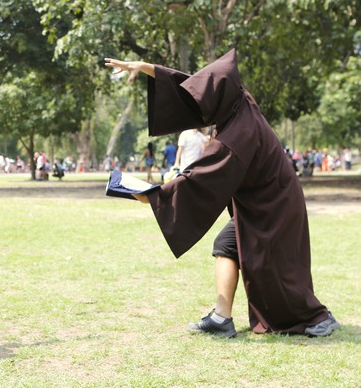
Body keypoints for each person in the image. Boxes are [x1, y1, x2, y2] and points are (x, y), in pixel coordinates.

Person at [105, 49, 339, 337]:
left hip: (274, 204)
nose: (201, 105)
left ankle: (316, 317)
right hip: (265, 197)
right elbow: (198, 85)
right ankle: (221, 318)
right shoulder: (238, 100)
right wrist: (148, 68)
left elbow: (202, 179)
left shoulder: (236, 134)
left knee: (277, 269)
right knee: (228, 245)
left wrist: (153, 195)